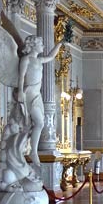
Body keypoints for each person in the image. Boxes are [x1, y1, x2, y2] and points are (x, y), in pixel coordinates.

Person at [16, 35, 62, 166]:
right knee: (39, 123)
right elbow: (21, 77)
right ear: (33, 45)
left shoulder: (39, 60)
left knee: (36, 124)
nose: (43, 46)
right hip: (29, 94)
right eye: (41, 43)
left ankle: (29, 148)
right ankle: (33, 151)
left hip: (38, 95)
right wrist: (19, 91)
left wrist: (60, 43)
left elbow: (51, 56)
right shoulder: (26, 60)